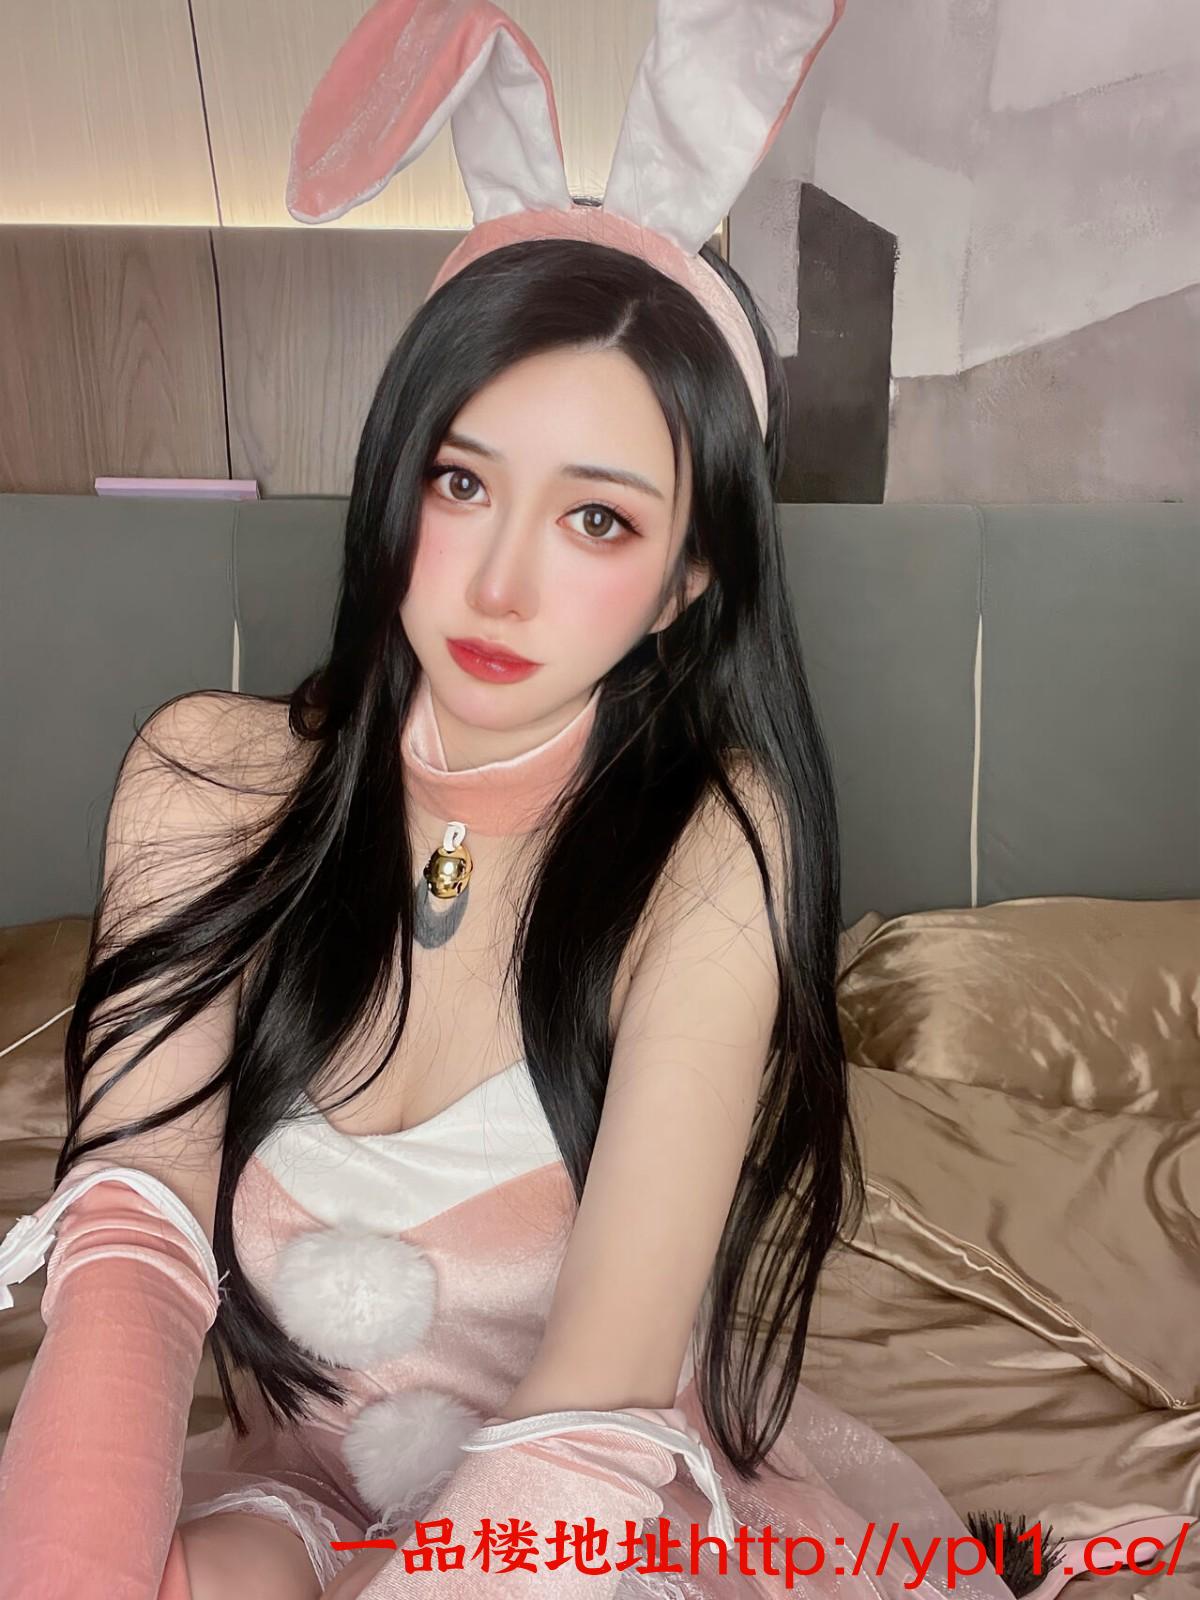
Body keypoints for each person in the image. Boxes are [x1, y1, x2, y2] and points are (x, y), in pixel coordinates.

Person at [0, 3, 1019, 1597]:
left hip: (575, 1522)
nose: (497, 583)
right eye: (461, 481)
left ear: (688, 578)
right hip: (303, 1491)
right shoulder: (208, 781)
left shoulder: (710, 844)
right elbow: (131, 1246)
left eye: (597, 521)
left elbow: (599, 1391)